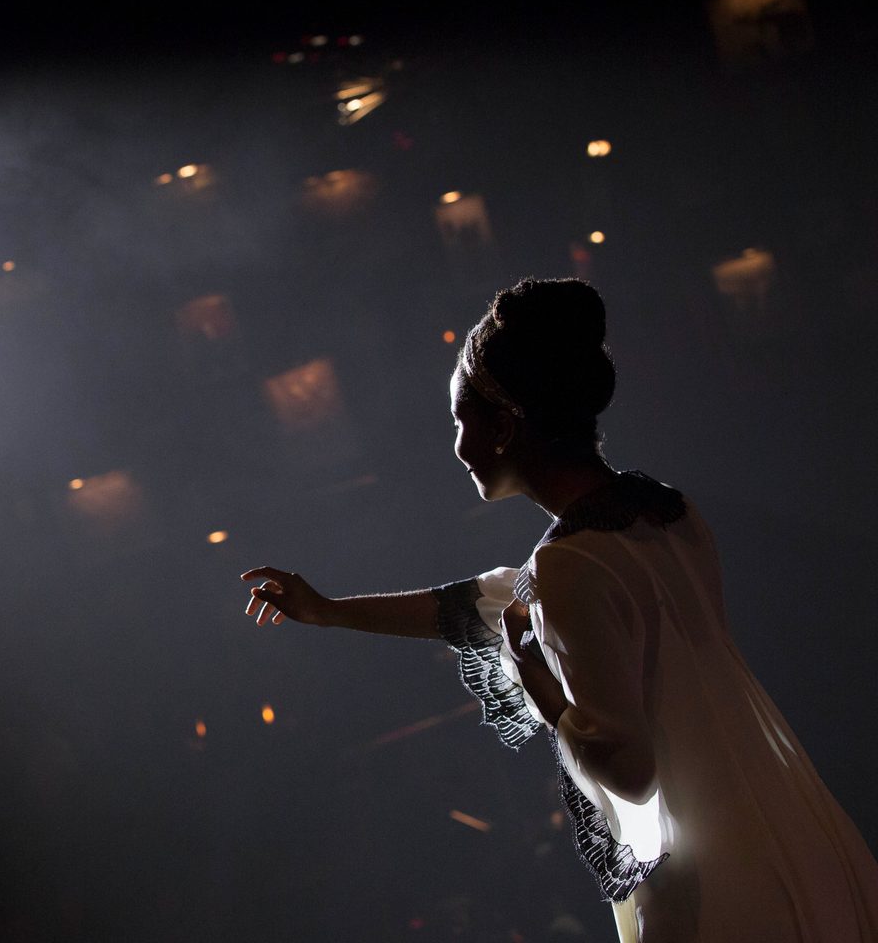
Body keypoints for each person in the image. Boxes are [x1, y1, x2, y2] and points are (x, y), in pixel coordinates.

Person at [239, 278, 878, 941]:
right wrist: (331, 610)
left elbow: (630, 774)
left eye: (463, 420)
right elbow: (480, 604)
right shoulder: (666, 514)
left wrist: (539, 684)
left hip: (725, 891)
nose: (458, 446)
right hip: (803, 838)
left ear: (506, 424)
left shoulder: (570, 565)